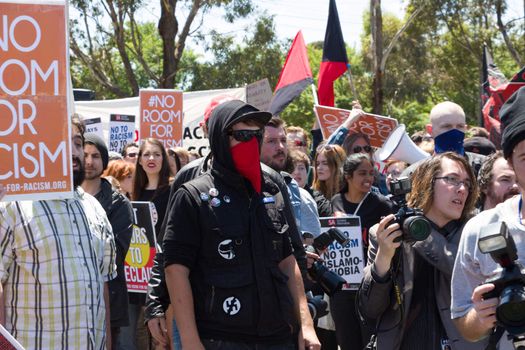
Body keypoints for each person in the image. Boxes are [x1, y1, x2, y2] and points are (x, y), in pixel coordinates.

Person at [145, 100, 307, 350]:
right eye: (242, 135)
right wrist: (188, 339)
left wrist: (305, 324)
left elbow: (288, 258)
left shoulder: (271, 186)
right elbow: (174, 267)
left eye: (256, 135)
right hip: (220, 336)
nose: (251, 143)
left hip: (276, 334)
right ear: (221, 138)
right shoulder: (192, 193)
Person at [0, 116, 117, 350]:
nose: (74, 152)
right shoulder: (13, 207)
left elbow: (102, 284)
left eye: (77, 143)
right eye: (61, 142)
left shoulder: (94, 208)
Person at [358, 152, 480, 350]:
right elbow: (370, 309)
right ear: (427, 182)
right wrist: (384, 258)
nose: (462, 189)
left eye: (467, 183)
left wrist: (419, 232)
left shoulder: (476, 233)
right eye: (452, 179)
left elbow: (459, 270)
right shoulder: (387, 234)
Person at [450, 86, 525, 349]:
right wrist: (481, 318)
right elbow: (463, 323)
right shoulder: (482, 228)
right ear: (511, 163)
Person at [331, 153, 394, 349]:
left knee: (370, 341)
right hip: (342, 286)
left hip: (369, 285)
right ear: (348, 176)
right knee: (346, 340)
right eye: (362, 173)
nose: (369, 178)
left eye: (371, 173)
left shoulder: (381, 204)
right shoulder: (336, 201)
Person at [82, 133, 134, 350]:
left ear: (104, 161)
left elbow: (115, 254)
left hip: (107, 302)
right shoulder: (65, 198)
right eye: (84, 154)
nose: (88, 161)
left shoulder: (118, 203)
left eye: (95, 156)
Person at [120, 138, 172, 350]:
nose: (151, 159)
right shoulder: (133, 193)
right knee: (140, 334)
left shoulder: (174, 188)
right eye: (146, 154)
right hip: (137, 270)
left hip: (162, 270)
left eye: (157, 154)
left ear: (164, 159)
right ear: (139, 160)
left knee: (161, 334)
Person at [403, 101, 486, 177]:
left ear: (465, 128)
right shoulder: (415, 173)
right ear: (430, 130)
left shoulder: (484, 167)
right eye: (447, 126)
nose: (454, 132)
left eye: (459, 126)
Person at [312, 143, 346, 217]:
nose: (319, 168)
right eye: (317, 164)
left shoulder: (348, 193)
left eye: (325, 163)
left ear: (337, 165)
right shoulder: (313, 193)